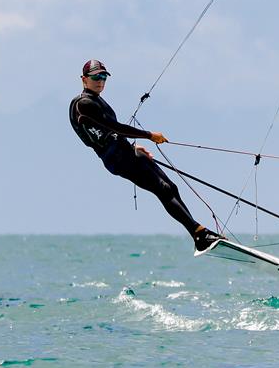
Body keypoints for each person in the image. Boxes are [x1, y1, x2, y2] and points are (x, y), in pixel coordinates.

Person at [69, 59, 223, 251]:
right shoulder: (84, 104)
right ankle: (199, 234)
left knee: (170, 187)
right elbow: (115, 128)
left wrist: (133, 146)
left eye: (103, 77)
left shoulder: (96, 100)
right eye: (96, 77)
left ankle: (199, 233)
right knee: (162, 189)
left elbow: (111, 132)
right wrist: (149, 135)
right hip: (116, 159)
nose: (100, 81)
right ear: (84, 80)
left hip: (125, 151)